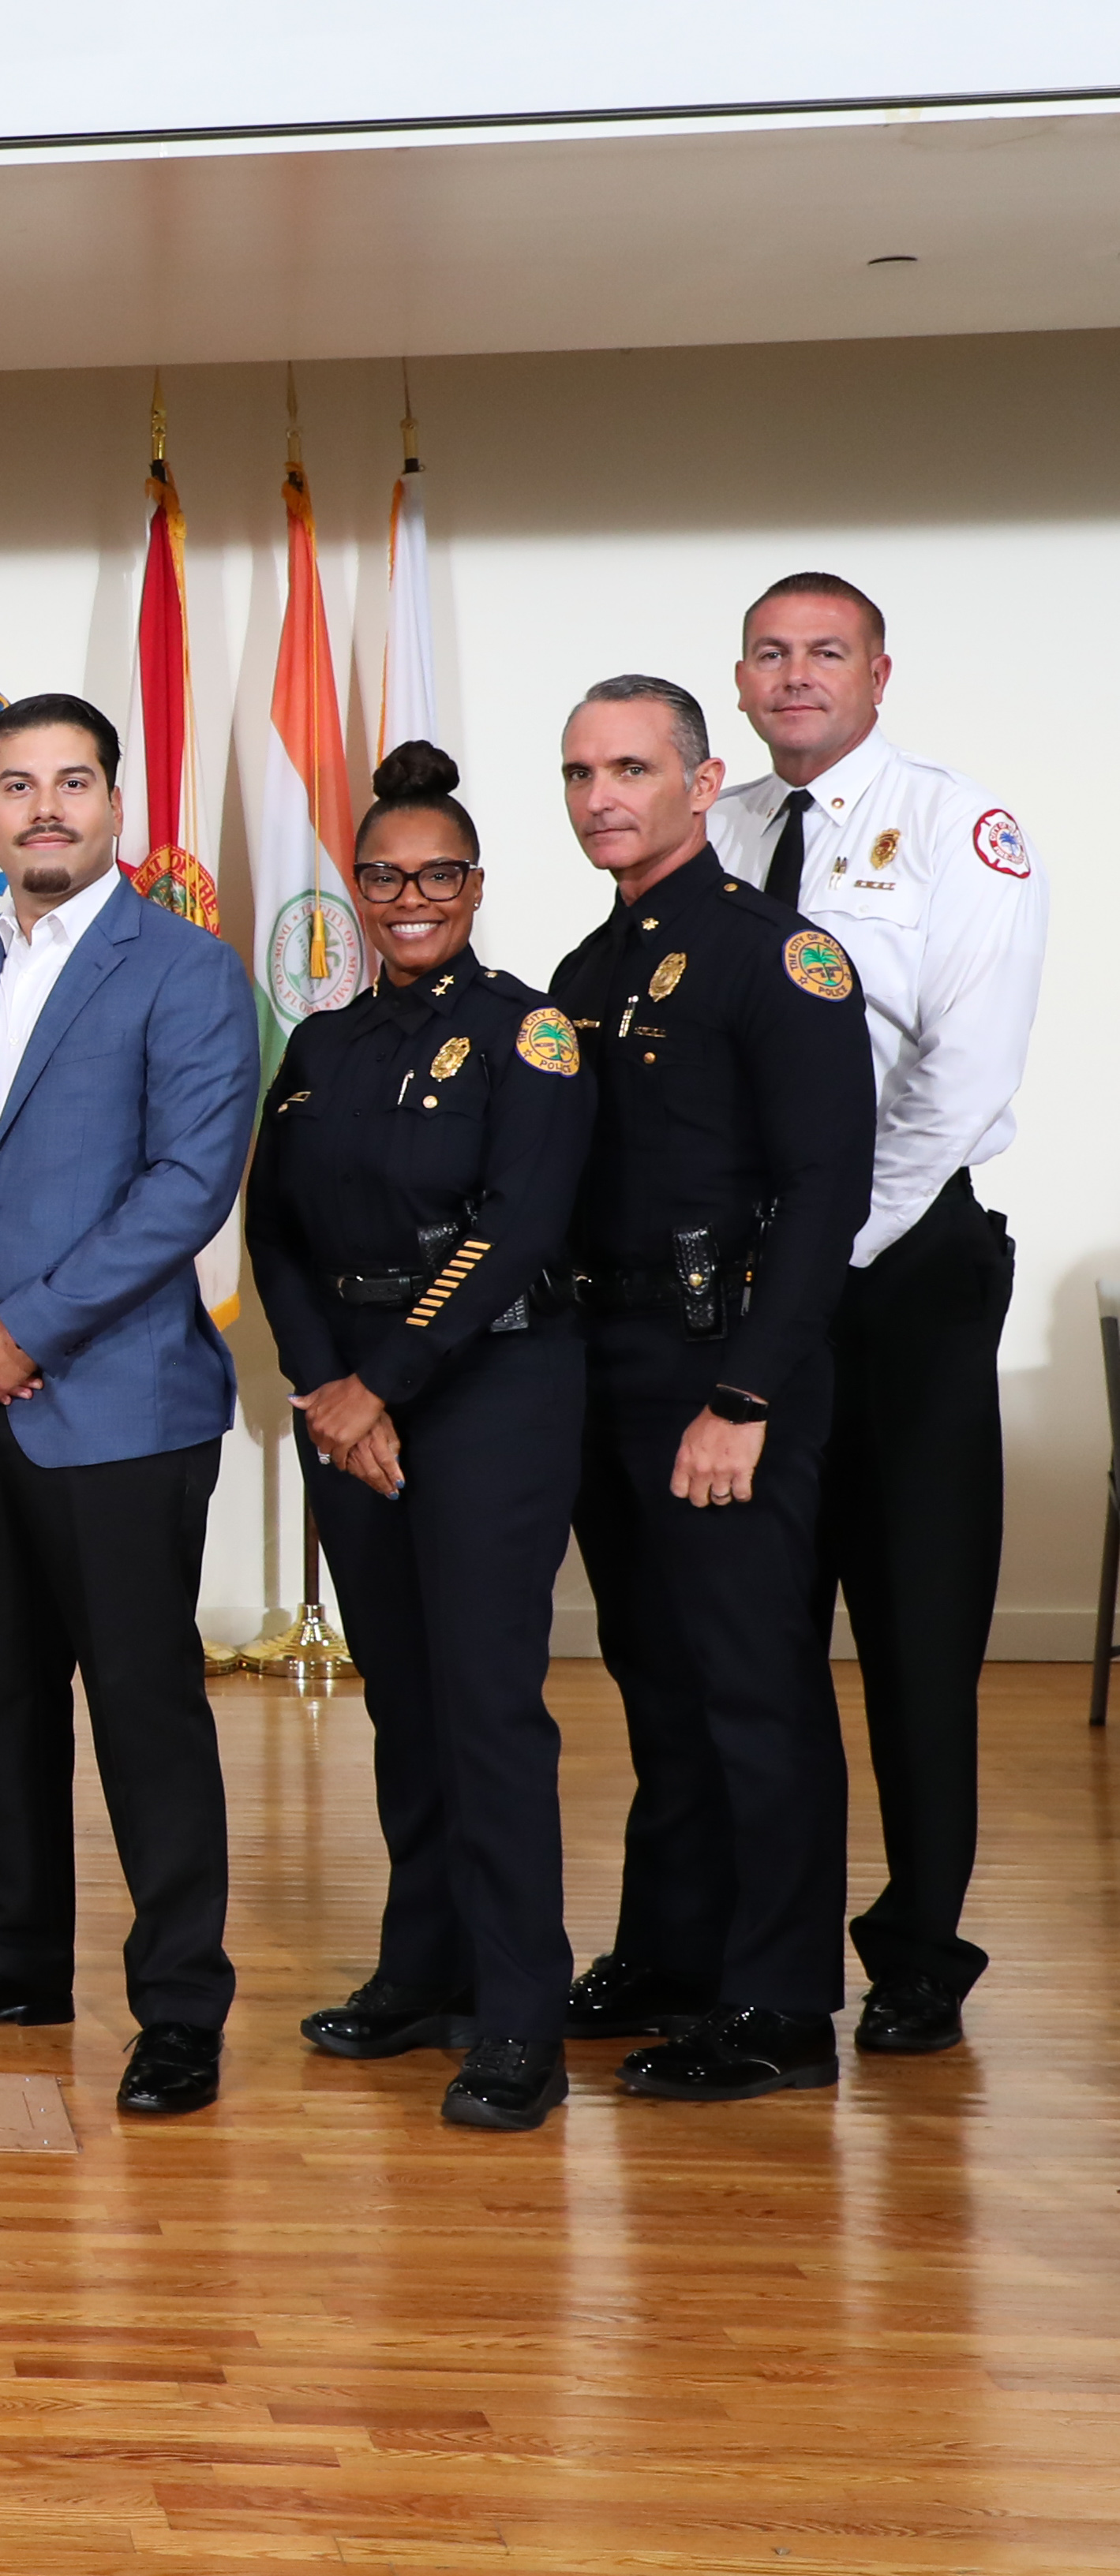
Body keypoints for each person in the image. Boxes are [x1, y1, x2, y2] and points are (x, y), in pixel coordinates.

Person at [0, 693, 256, 2118]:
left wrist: (22, 1327)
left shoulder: (188, 969)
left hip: (121, 1407)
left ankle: (181, 2007)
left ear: (114, 805)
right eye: (18, 785)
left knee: (146, 1712)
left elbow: (186, 1187)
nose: (45, 809)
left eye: (72, 782)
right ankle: (16, 1955)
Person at [709, 574, 1044, 2057]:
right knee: (754, 1625)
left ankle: (919, 1952)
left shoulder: (963, 830)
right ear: (739, 679)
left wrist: (822, 1253)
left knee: (915, 1627)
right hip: (753, 1270)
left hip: (897, 1269)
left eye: (826, 652)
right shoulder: (720, 829)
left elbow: (959, 1077)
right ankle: (761, 1945)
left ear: (879, 674)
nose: (797, 676)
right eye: (772, 654)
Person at [244, 746, 594, 2132]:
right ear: (355, 889)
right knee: (402, 1693)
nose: (410, 900)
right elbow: (274, 1230)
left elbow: (520, 1226)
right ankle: (424, 1967)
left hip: (491, 1387)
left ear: (476, 885)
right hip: (353, 1399)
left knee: (489, 1704)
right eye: (384, 878)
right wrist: (330, 1382)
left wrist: (379, 1383)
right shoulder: (323, 1046)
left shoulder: (530, 1032)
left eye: (437, 875)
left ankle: (519, 2017)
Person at [547, 675, 875, 2099]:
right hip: (607, 1363)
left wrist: (744, 1395)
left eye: (630, 768)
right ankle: (675, 1951)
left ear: (701, 782)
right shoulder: (585, 971)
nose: (601, 797)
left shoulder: (775, 956)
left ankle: (783, 2002)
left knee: (752, 1683)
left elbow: (825, 1192)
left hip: (724, 1362)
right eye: (580, 773)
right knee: (657, 1677)